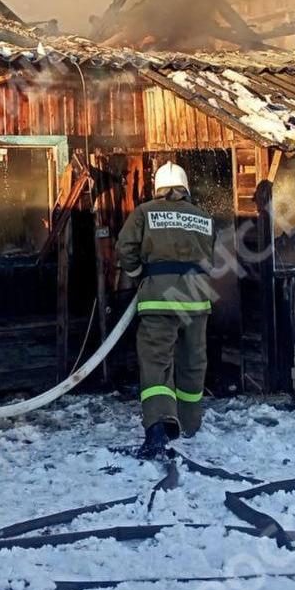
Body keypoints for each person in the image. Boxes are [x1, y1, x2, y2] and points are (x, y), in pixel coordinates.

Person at [116, 163, 215, 459]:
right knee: (193, 361)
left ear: (157, 187)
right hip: (196, 299)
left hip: (159, 299)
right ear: (185, 187)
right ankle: (190, 425)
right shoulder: (203, 216)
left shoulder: (145, 212)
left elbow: (125, 247)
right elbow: (209, 256)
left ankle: (159, 427)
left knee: (156, 360)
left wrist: (137, 273)